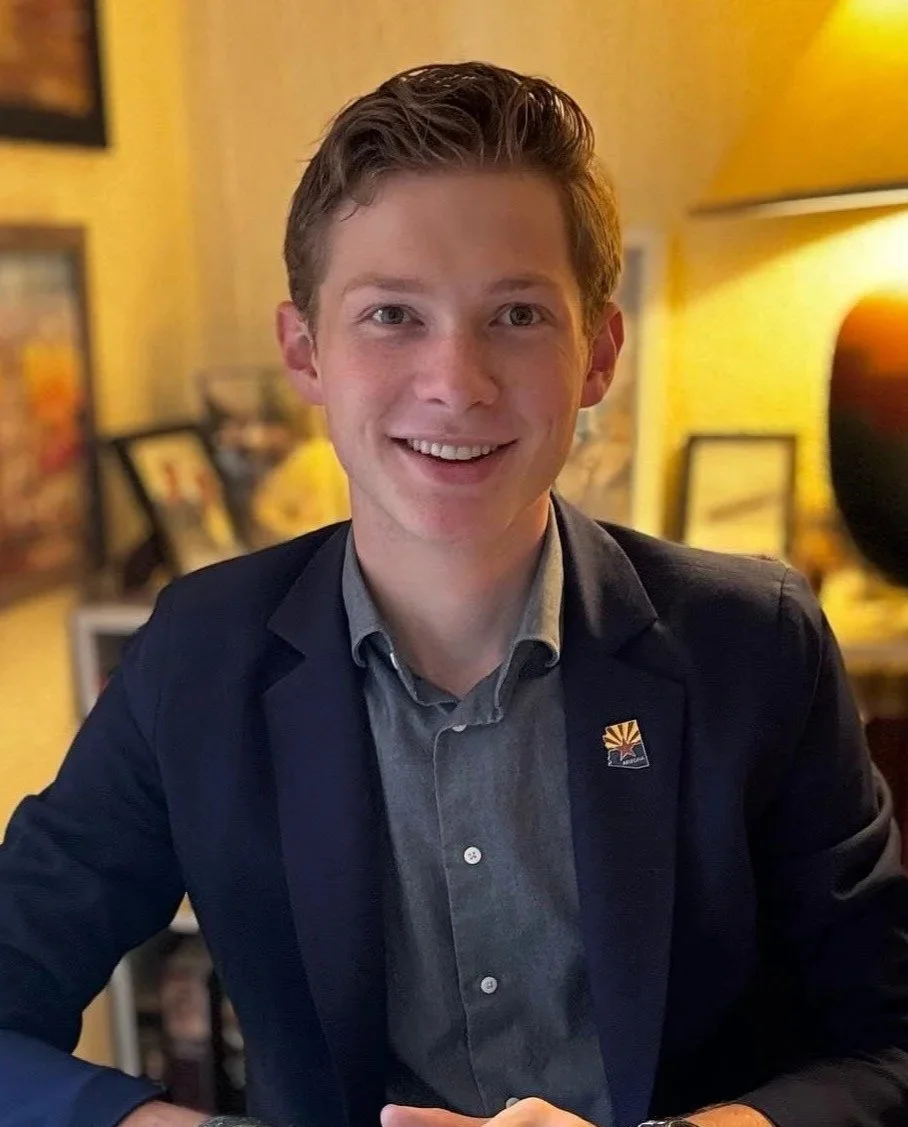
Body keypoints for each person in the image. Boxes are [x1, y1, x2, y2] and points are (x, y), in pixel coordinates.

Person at [0, 61, 906, 1127]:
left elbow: (885, 1038)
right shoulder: (196, 655)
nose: (456, 379)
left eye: (516, 313)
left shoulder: (751, 642)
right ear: (304, 351)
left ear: (597, 351)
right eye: (391, 314)